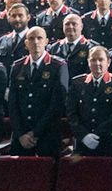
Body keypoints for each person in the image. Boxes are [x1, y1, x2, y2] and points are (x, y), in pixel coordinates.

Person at [8, 27, 69, 157]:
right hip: (21, 137)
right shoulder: (17, 67)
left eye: (39, 38)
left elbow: (57, 104)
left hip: (47, 135)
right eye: (31, 39)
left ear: (46, 41)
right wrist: (21, 134)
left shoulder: (58, 66)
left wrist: (34, 133)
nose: (35, 42)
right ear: (26, 43)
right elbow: (13, 104)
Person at [67, 45, 112, 156]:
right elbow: (72, 114)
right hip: (83, 143)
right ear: (88, 62)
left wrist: (96, 135)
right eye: (93, 60)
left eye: (101, 60)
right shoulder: (77, 83)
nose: (97, 63)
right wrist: (84, 136)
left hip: (109, 144)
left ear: (108, 62)